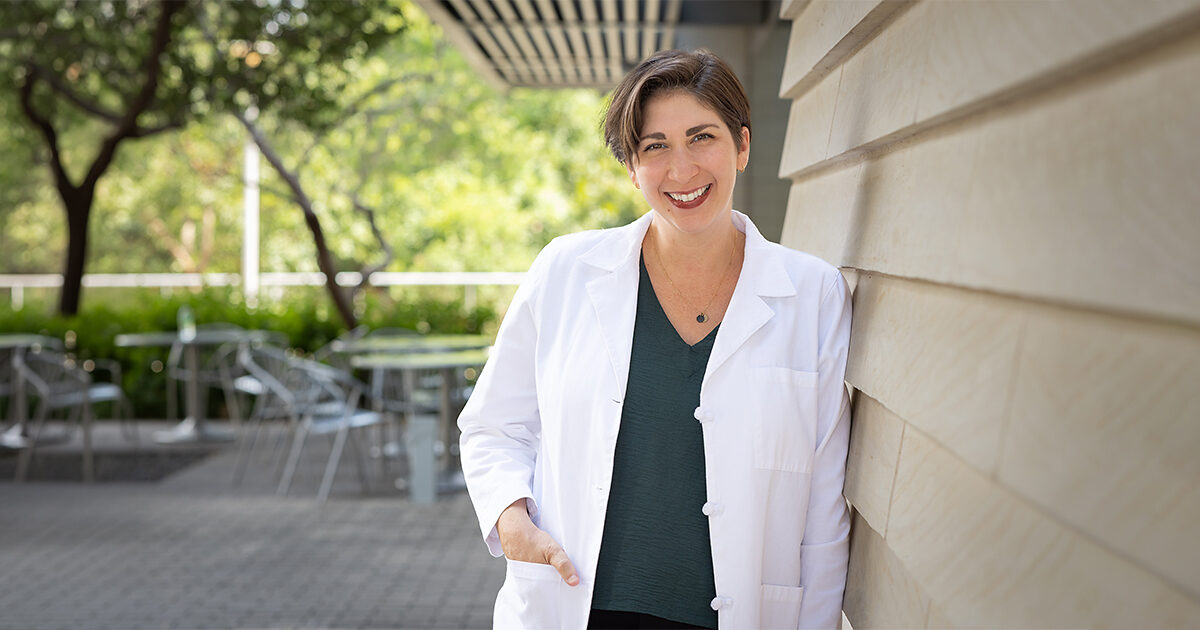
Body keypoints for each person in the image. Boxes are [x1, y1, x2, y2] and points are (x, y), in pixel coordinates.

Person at [458, 49, 852, 630]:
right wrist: (512, 521)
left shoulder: (812, 293)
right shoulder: (566, 271)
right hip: (578, 606)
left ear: (742, 145)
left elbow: (824, 508)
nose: (682, 169)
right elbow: (493, 426)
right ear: (631, 166)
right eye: (655, 146)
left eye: (702, 137)